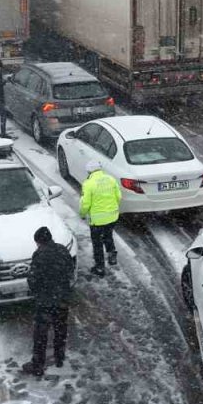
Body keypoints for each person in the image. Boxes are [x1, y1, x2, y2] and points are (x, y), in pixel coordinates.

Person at [22, 227, 77, 377]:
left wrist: (37, 293)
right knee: (61, 329)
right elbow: (71, 269)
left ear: (39, 241)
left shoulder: (39, 255)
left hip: (45, 301)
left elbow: (32, 279)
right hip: (62, 299)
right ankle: (59, 357)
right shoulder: (62, 250)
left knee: (41, 334)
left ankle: (37, 365)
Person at [79, 160, 120, 277]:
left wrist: (82, 214)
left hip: (97, 220)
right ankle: (112, 255)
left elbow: (85, 203)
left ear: (89, 171)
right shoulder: (111, 179)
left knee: (97, 244)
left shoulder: (88, 183)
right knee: (108, 235)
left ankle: (100, 267)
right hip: (112, 216)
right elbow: (118, 196)